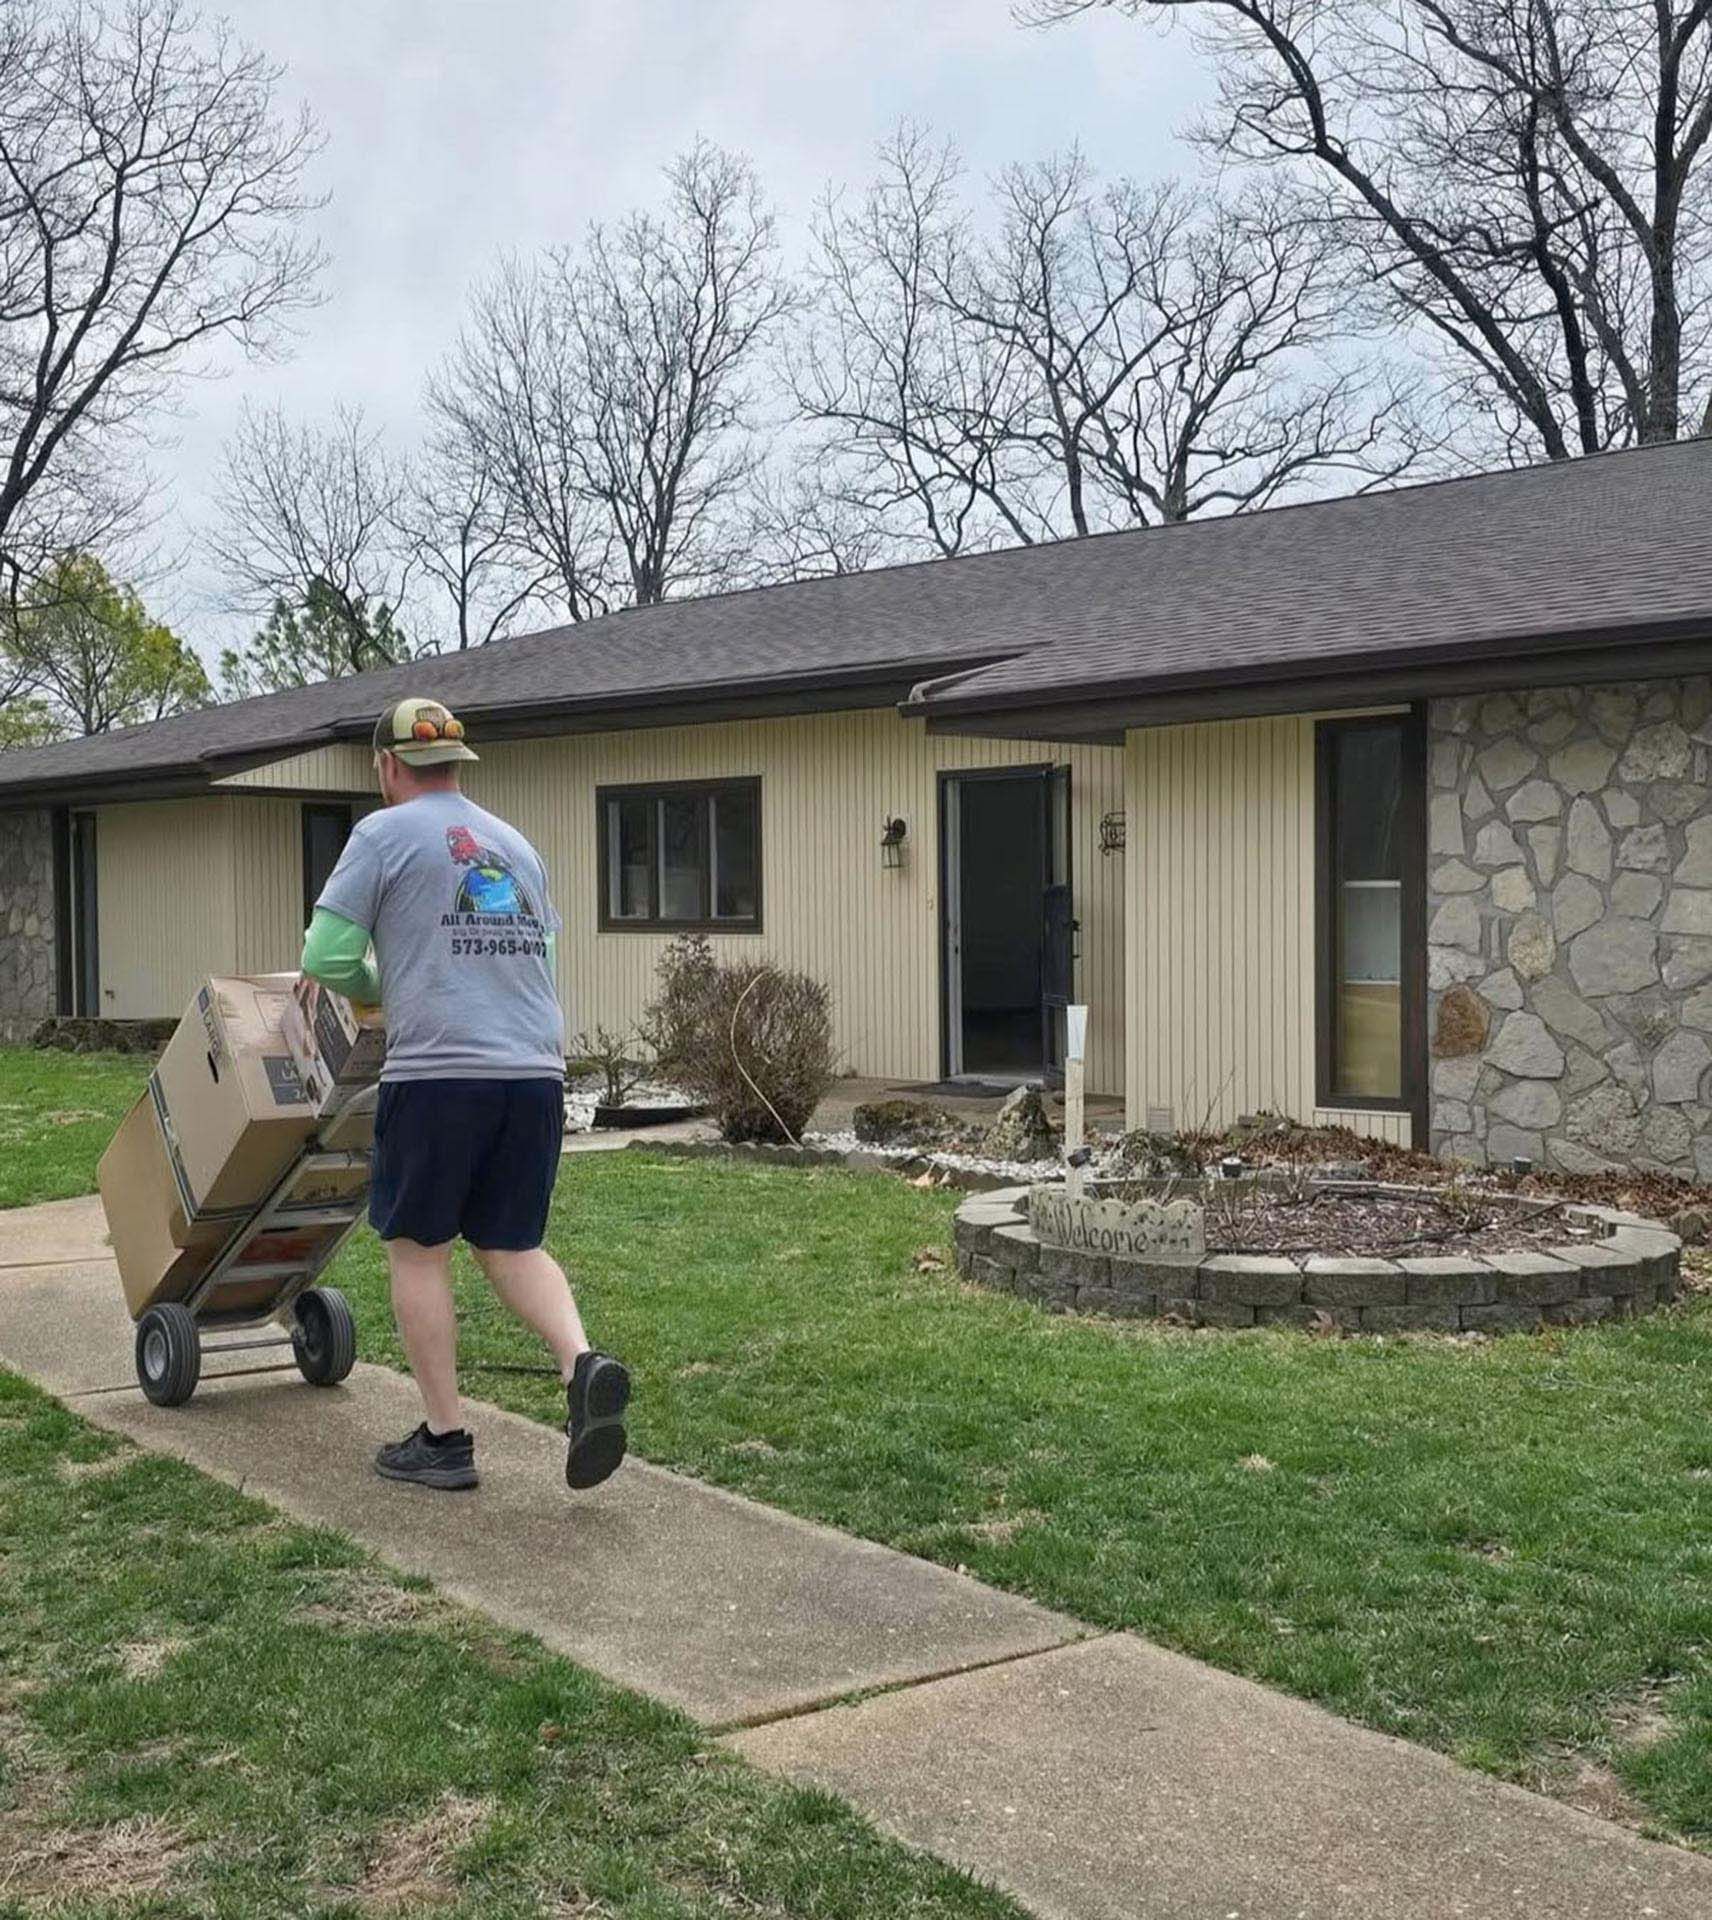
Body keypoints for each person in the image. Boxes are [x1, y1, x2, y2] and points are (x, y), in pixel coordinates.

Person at [300, 694, 629, 1493]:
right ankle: (580, 1364)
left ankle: (445, 1440)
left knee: (417, 1249)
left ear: (386, 766)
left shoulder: (380, 834)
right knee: (511, 1242)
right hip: (534, 1074)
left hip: (441, 1072)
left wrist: (386, 982)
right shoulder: (516, 844)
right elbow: (536, 954)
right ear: (456, 763)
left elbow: (326, 957)